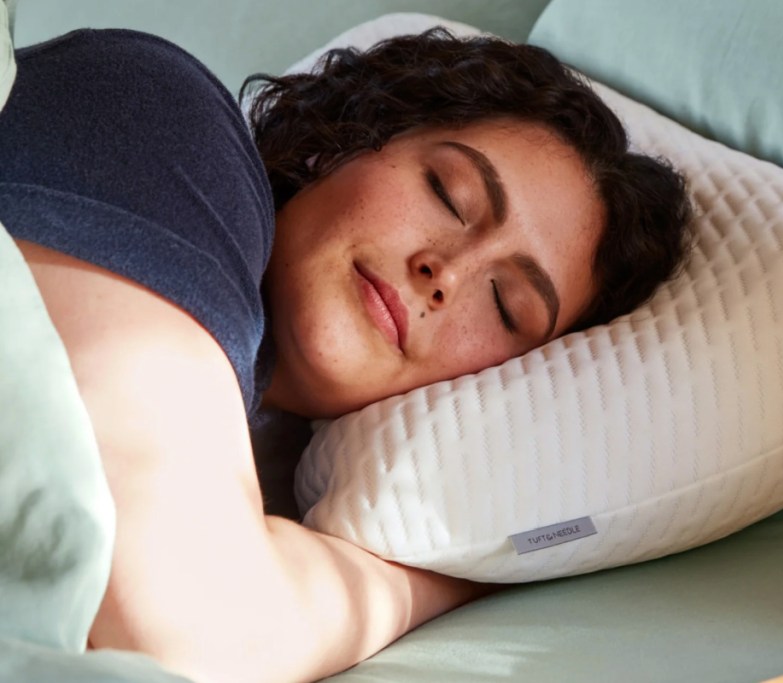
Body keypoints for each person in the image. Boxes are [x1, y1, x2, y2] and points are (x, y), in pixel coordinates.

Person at [0, 25, 692, 683]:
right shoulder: (164, 122)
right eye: (448, 194)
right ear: (346, 141)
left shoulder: (272, 469)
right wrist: (435, 581)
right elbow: (190, 617)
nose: (446, 273)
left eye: (507, 305)